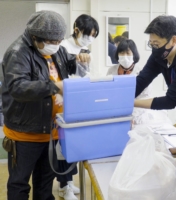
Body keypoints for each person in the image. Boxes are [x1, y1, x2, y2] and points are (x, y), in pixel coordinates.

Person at [2, 10, 87, 200]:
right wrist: (54, 87)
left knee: (44, 185)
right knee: (19, 184)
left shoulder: (58, 50)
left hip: (51, 132)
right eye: (52, 42)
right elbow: (18, 87)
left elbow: (66, 66)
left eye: (59, 41)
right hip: (25, 134)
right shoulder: (17, 53)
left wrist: (78, 60)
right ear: (35, 38)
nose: (56, 45)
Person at [134, 15, 176, 138]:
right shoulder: (160, 56)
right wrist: (119, 100)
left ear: (174, 40)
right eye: (151, 44)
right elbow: (141, 81)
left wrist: (132, 103)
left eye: (157, 44)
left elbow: (170, 101)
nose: (154, 48)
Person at [56, 14, 99, 200]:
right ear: (76, 30)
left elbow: (84, 76)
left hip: (78, 101)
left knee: (73, 144)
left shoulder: (85, 49)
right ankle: (63, 185)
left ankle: (70, 183)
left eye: (93, 36)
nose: (90, 39)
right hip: (61, 101)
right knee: (62, 144)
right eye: (88, 34)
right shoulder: (62, 47)